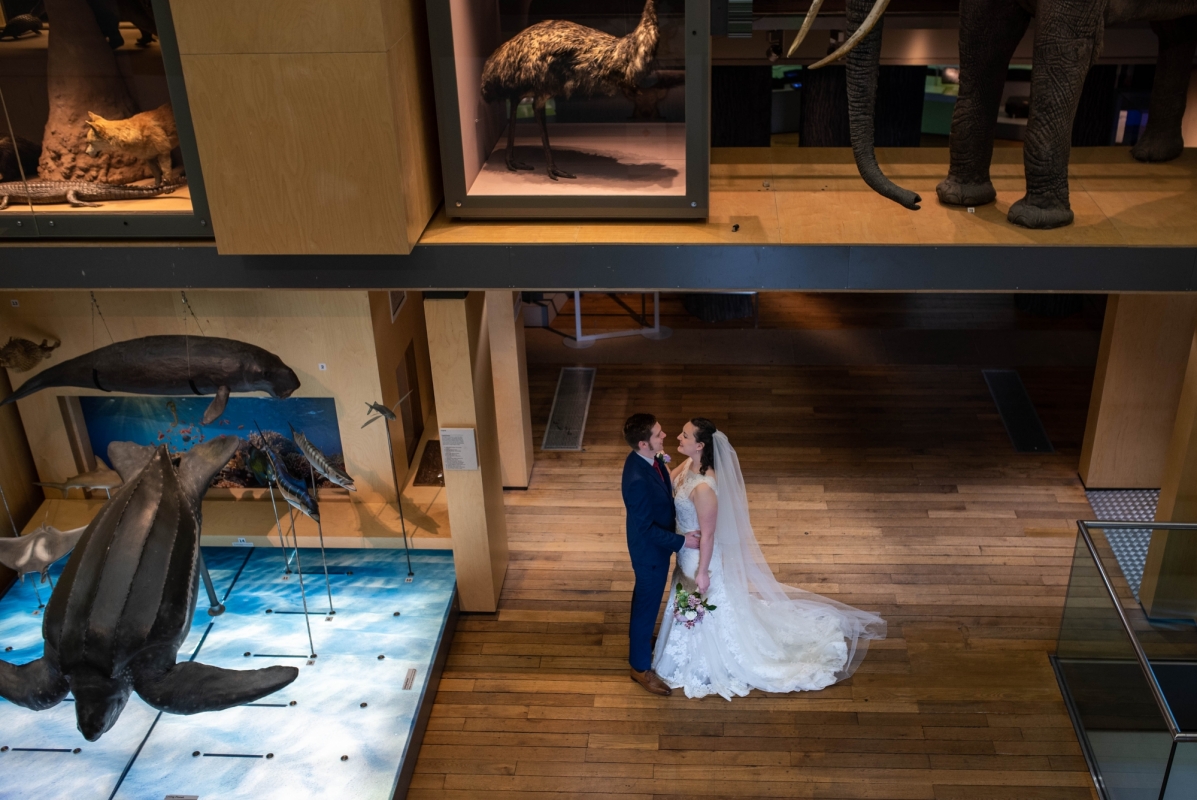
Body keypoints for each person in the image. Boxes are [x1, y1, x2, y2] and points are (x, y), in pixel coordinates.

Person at [652, 418, 887, 700]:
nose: (679, 437)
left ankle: (708, 657)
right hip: (685, 552)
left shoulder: (704, 489)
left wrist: (703, 572)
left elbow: (710, 536)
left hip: (699, 558)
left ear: (700, 445)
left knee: (703, 600)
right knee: (686, 596)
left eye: (685, 435)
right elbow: (670, 481)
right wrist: (656, 459)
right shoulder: (689, 464)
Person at [621, 413, 700, 696]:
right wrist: (682, 541)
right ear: (643, 444)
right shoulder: (636, 479)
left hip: (656, 548)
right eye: (658, 434)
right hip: (649, 554)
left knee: (644, 601)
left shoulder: (646, 458)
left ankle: (640, 639)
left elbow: (663, 482)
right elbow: (645, 529)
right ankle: (640, 667)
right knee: (647, 605)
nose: (664, 435)